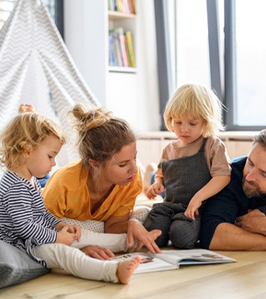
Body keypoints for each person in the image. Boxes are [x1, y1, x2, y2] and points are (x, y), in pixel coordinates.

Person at [0, 112, 141, 284]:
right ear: (27, 150)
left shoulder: (30, 180)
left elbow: (42, 214)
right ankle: (112, 271)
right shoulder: (15, 187)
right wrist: (57, 238)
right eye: (50, 156)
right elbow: (25, 228)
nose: (53, 163)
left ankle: (129, 242)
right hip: (24, 246)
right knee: (65, 254)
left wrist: (60, 225)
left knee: (84, 235)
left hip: (39, 238)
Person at [42, 104, 161, 255]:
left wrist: (132, 223)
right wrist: (80, 250)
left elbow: (111, 227)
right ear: (95, 163)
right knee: (71, 226)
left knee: (144, 213)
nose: (133, 168)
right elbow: (41, 226)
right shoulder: (65, 181)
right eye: (123, 164)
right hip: (56, 215)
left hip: (96, 226)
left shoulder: (131, 178)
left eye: (134, 158)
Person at [143, 84, 231, 249]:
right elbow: (161, 174)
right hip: (169, 205)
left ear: (206, 121)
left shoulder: (212, 145)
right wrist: (157, 183)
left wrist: (197, 199)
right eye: (178, 122)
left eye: (192, 123)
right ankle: (148, 174)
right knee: (152, 235)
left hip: (193, 209)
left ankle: (174, 225)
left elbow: (223, 176)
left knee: (181, 237)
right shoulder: (169, 149)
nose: (184, 129)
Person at [200, 123, 266, 251]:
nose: (249, 177)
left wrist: (263, 225)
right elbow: (213, 236)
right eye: (250, 163)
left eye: (264, 174)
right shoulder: (229, 176)